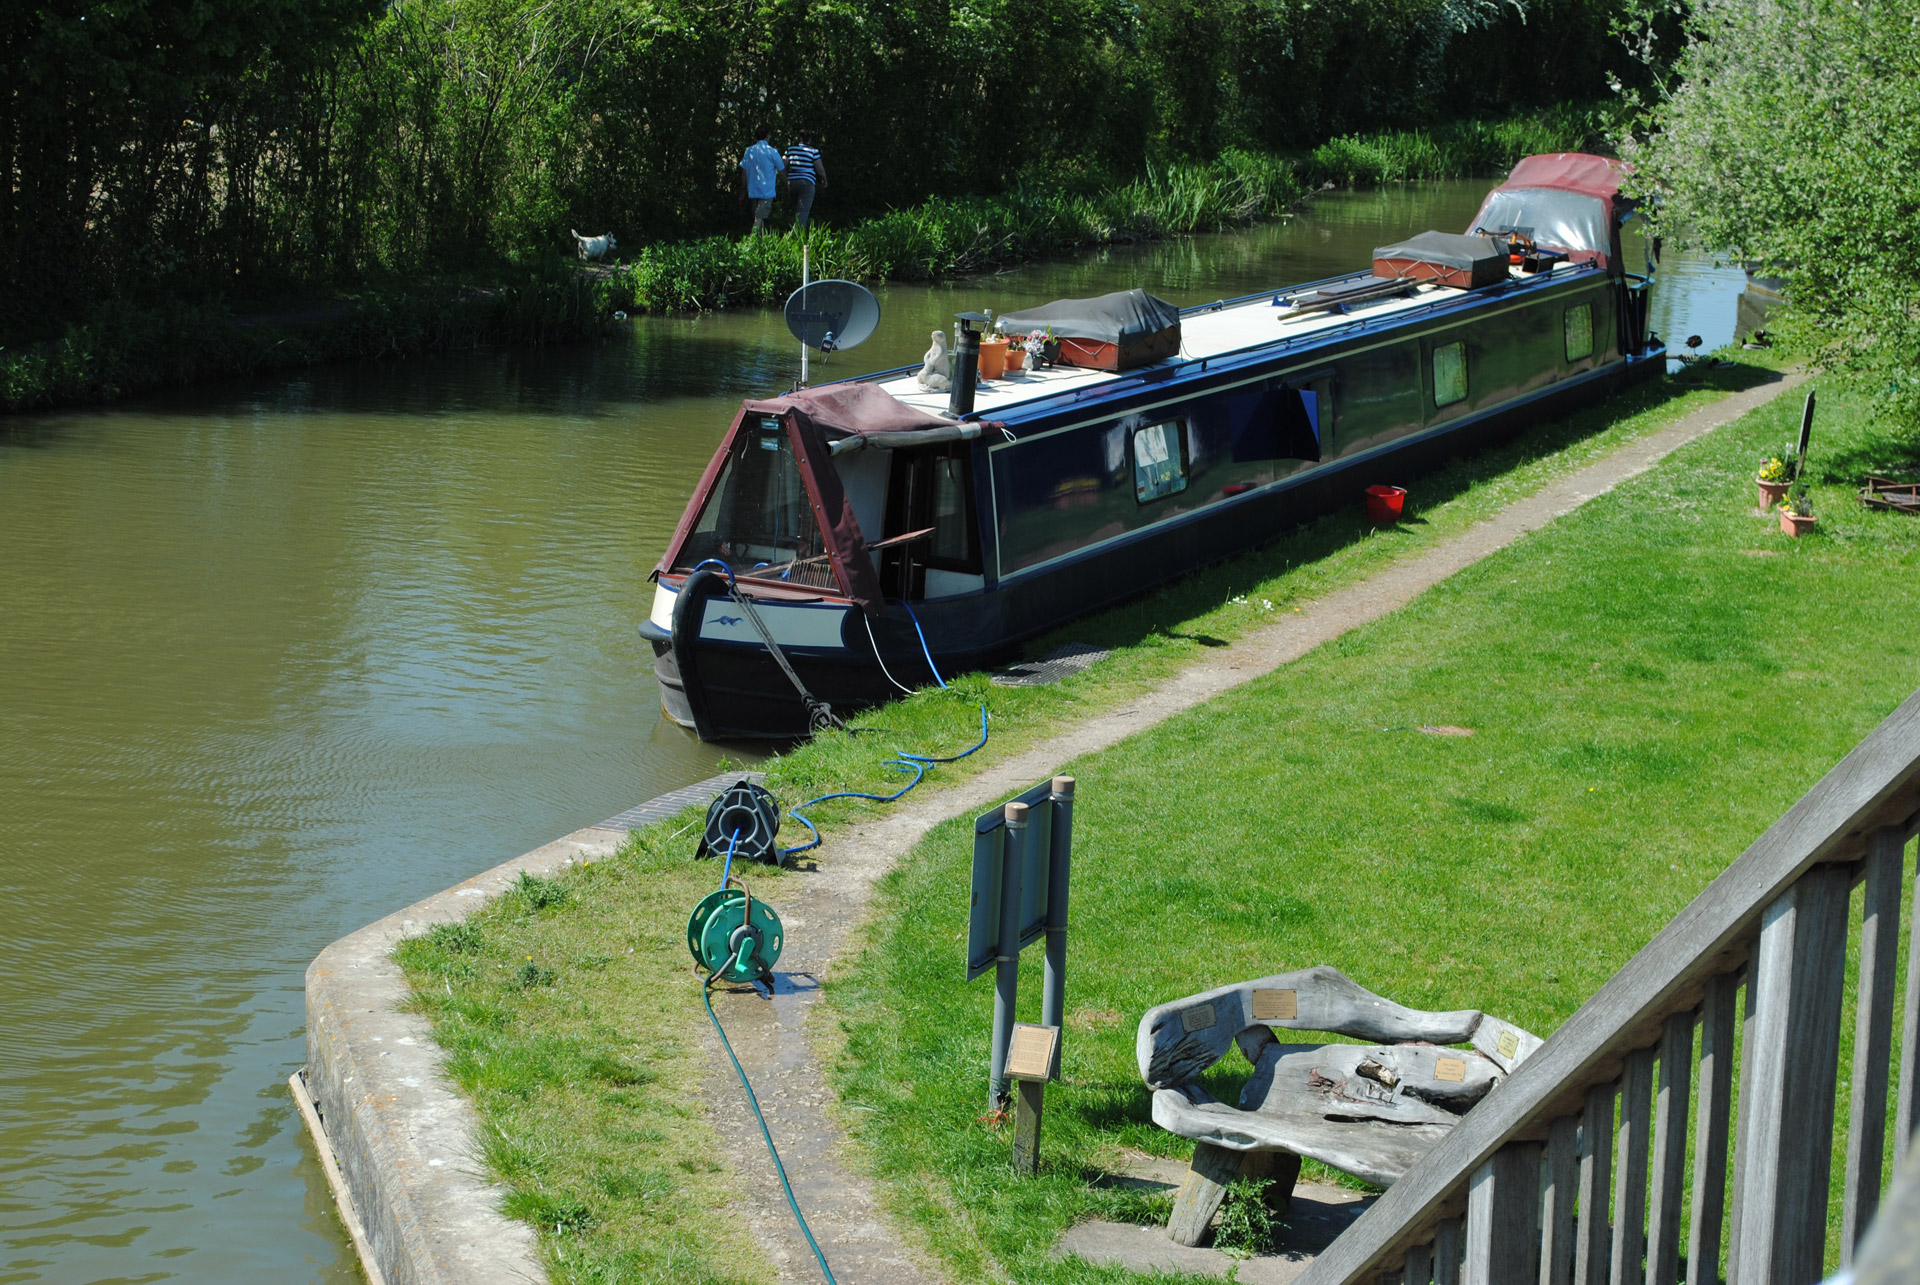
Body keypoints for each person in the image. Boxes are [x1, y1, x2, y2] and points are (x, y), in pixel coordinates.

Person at [739, 125, 784, 233]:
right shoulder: (772, 152)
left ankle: (763, 241)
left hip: (753, 190)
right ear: (767, 135)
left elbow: (744, 171)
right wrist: (787, 185)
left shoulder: (749, 151)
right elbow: (781, 170)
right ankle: (751, 241)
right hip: (766, 191)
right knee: (759, 218)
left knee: (758, 217)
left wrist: (743, 188)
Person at [783, 130, 828, 231]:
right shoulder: (813, 152)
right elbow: (820, 169)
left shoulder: (790, 150)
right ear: (810, 140)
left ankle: (794, 230)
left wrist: (786, 178)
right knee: (803, 210)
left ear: (800, 139)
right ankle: (797, 236)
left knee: (796, 209)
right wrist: (824, 180)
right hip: (806, 182)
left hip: (792, 182)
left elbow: (783, 165)